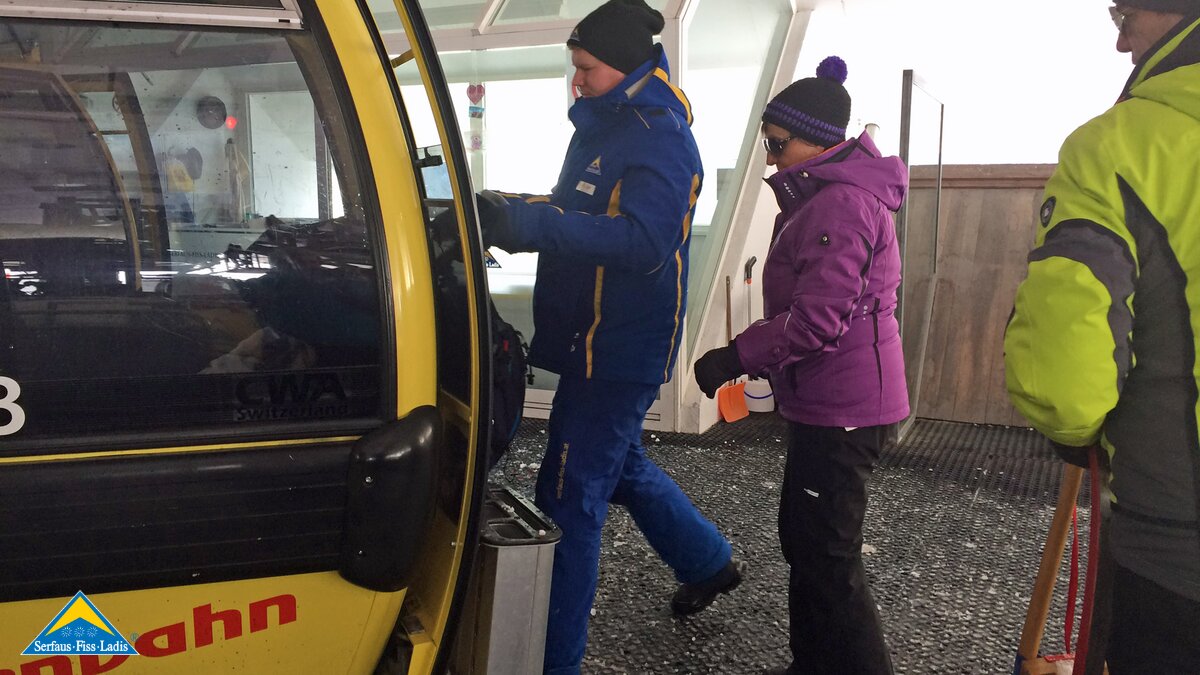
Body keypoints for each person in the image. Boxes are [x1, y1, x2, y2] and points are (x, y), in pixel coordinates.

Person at [476, 1, 742, 673]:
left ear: (622, 67)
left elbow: (646, 242)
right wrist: (502, 209)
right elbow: (576, 209)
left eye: (586, 68)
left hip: (619, 347)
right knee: (617, 464)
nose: (577, 81)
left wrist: (530, 227)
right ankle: (708, 562)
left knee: (570, 496)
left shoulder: (658, 137)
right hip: (592, 337)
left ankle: (553, 661)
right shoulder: (607, 124)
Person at [693, 57, 908, 675]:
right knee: (807, 541)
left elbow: (817, 319)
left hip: (847, 407)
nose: (770, 159)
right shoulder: (825, 198)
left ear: (817, 141)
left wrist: (735, 357)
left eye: (777, 144)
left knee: (828, 555)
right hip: (828, 399)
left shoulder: (841, 204)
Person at [1004, 2, 1200, 671]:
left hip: (1175, 547)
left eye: (1125, 14)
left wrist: (1071, 428)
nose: (1121, 43)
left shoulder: (1120, 147)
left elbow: (1064, 383)